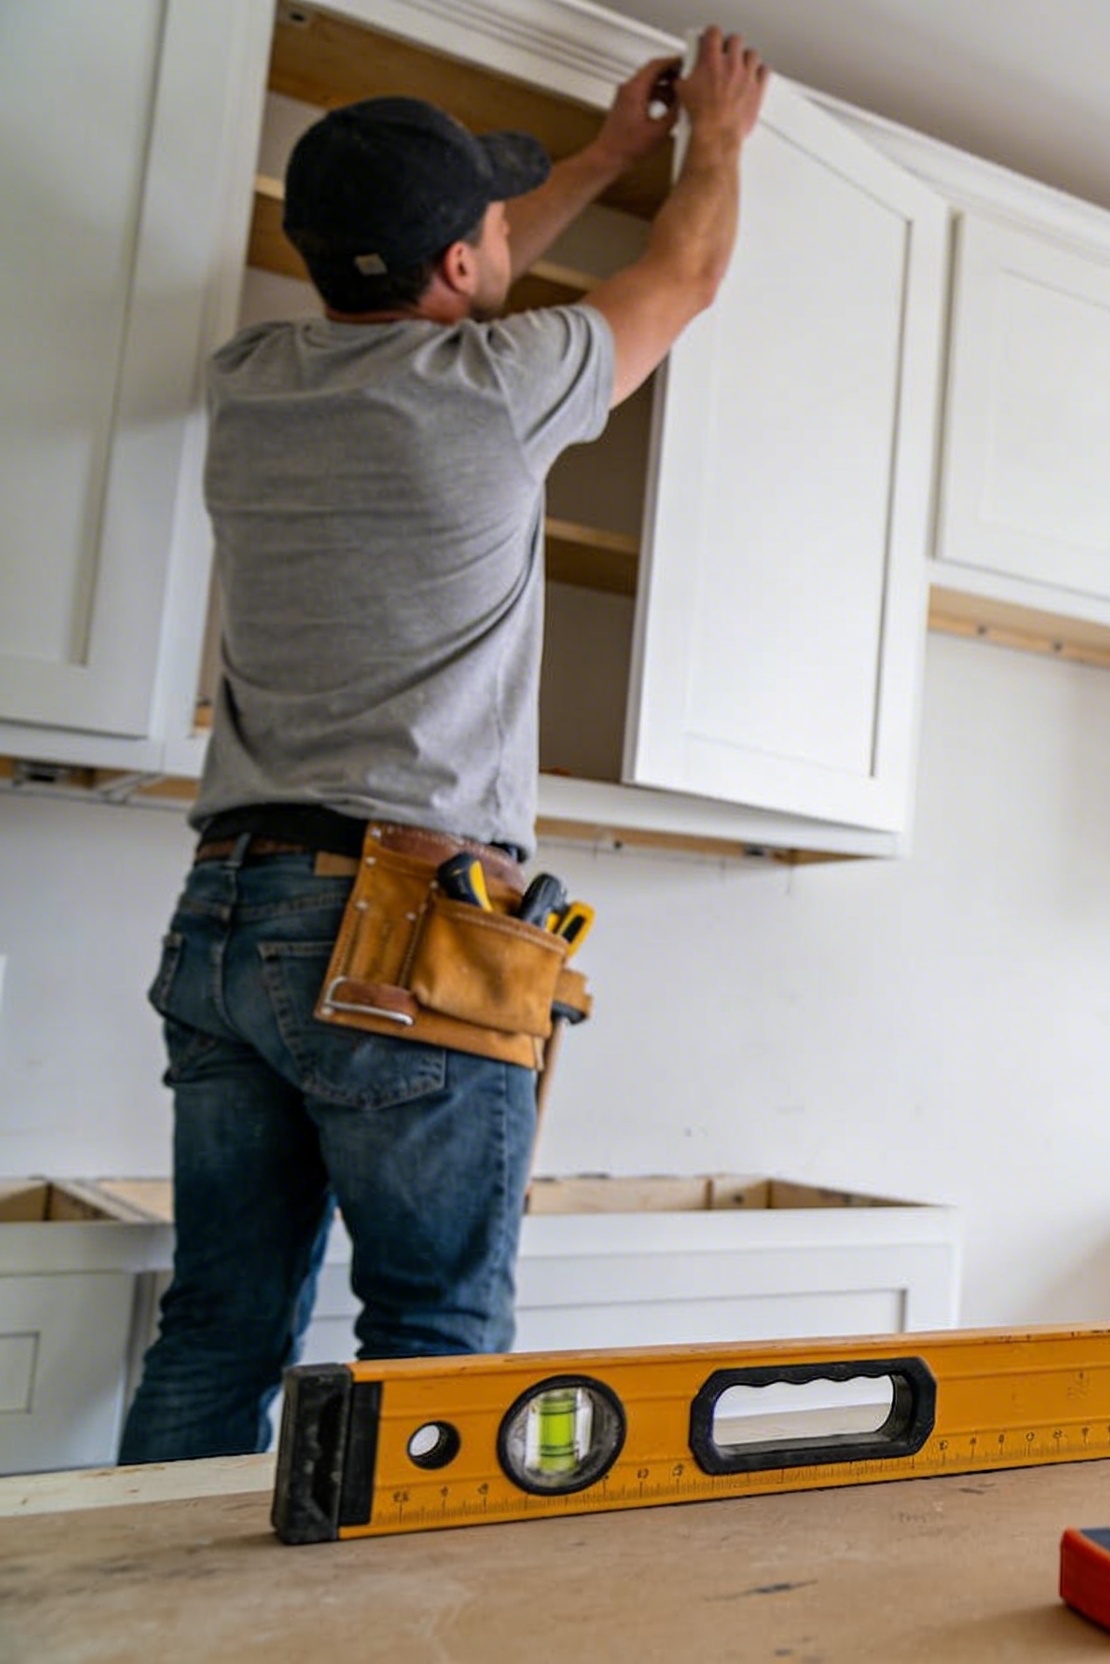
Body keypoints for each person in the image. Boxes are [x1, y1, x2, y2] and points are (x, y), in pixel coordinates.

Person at [118, 30, 770, 1464]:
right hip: (404, 930)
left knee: (221, 1325)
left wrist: (597, 158)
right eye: (486, 231)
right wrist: (710, 137)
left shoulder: (253, 379)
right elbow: (686, 276)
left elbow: (444, 285)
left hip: (227, 909)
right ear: (467, 273)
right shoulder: (494, 392)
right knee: (435, 1338)